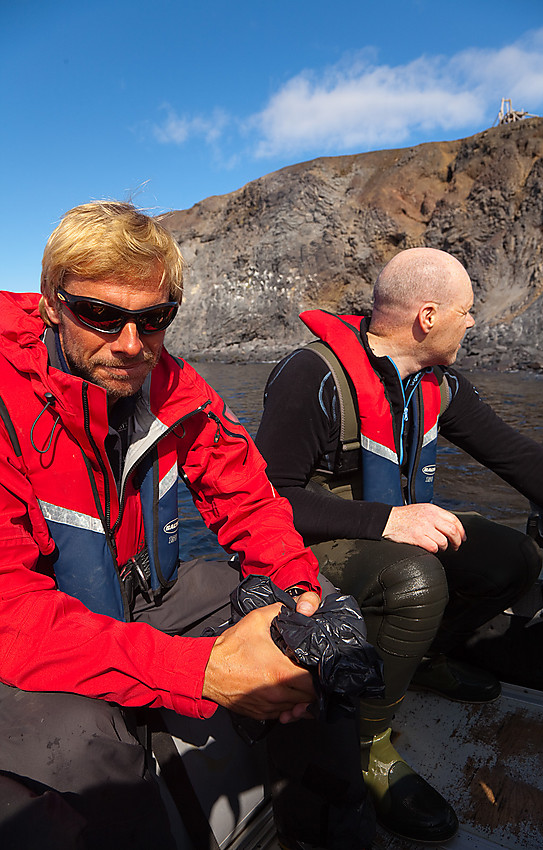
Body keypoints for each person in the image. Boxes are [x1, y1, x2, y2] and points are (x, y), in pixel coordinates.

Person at [0, 201, 373, 850]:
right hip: (29, 634)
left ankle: (322, 828)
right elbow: (11, 612)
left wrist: (295, 593)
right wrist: (198, 670)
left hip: (141, 603)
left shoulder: (171, 384)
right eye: (99, 315)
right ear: (51, 304)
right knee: (83, 747)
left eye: (154, 320)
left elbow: (251, 503)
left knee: (314, 635)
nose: (129, 344)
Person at [256, 247, 543, 844]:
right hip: (313, 548)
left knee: (515, 560)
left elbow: (516, 455)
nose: (471, 323)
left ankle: (422, 660)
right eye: (465, 312)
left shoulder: (437, 384)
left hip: (387, 529)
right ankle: (369, 743)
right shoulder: (311, 376)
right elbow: (271, 498)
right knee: (417, 578)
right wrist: (387, 521)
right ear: (428, 317)